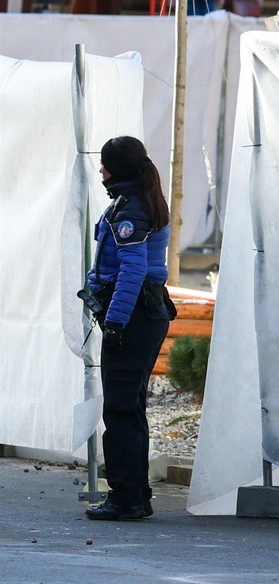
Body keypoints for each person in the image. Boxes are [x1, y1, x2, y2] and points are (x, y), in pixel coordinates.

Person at [83, 136, 174, 521]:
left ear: (116, 169)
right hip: (143, 313)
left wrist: (116, 321)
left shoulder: (129, 210)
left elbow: (132, 270)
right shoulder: (132, 201)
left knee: (120, 410)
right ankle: (136, 494)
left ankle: (124, 499)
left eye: (104, 165)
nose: (101, 171)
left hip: (134, 316)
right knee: (130, 407)